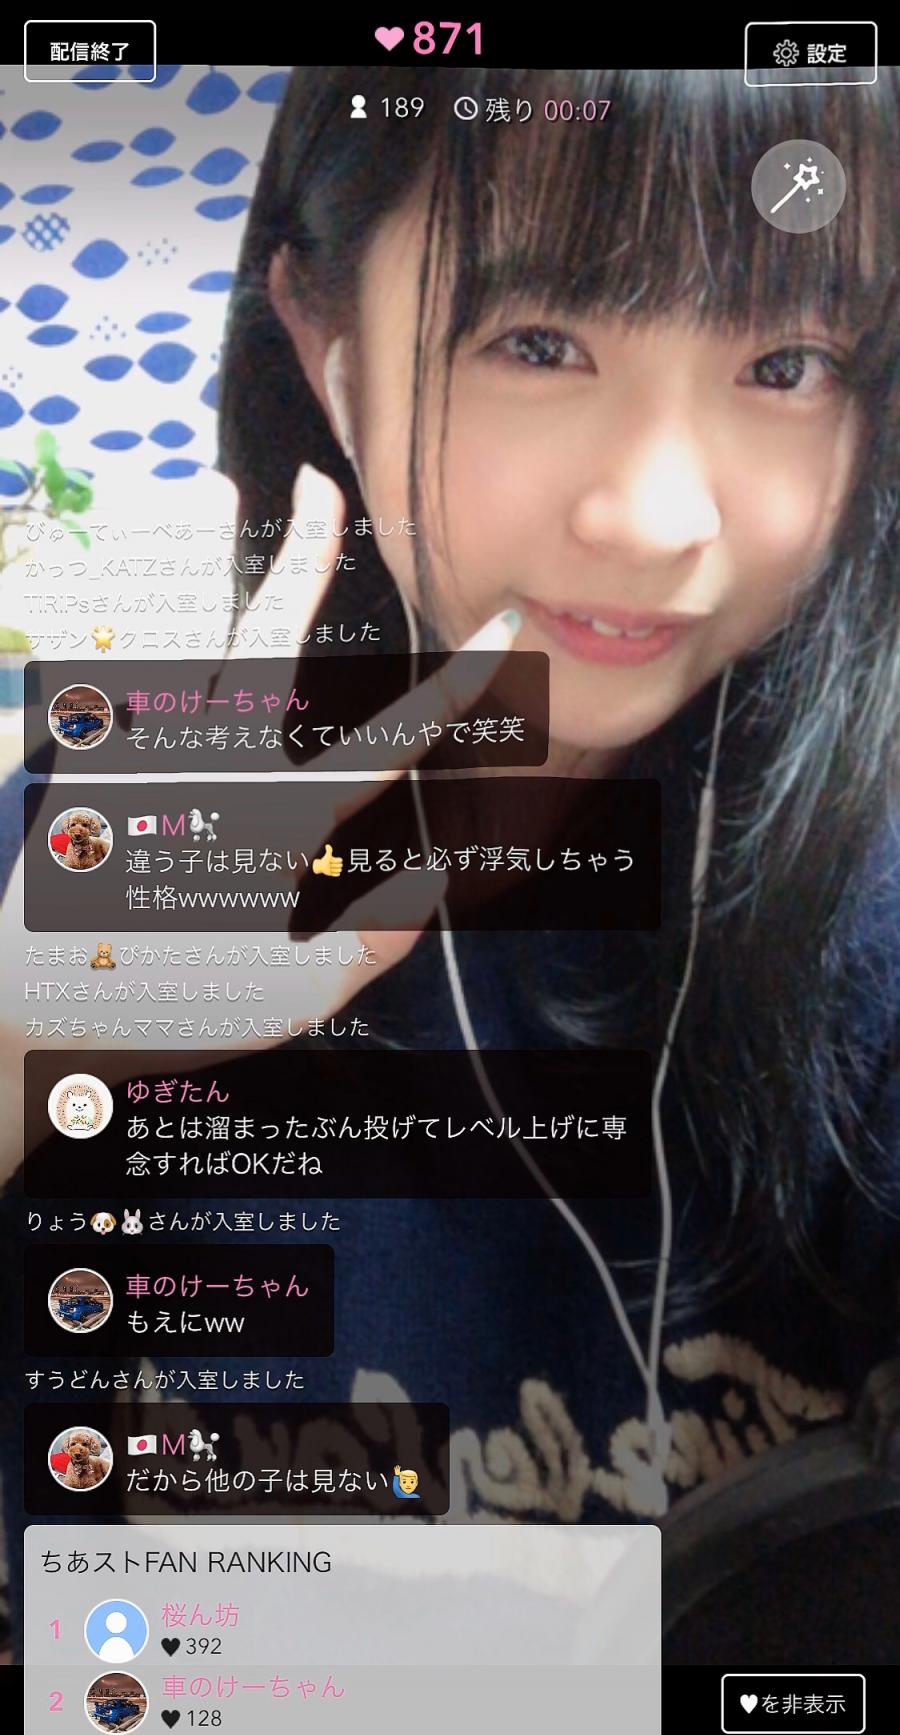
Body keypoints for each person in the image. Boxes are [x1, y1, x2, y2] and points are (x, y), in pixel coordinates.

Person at [208, 63, 900, 1531]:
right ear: (327, 346)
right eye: (539, 343)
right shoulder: (82, 864)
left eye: (787, 365)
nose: (654, 519)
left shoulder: (873, 910)